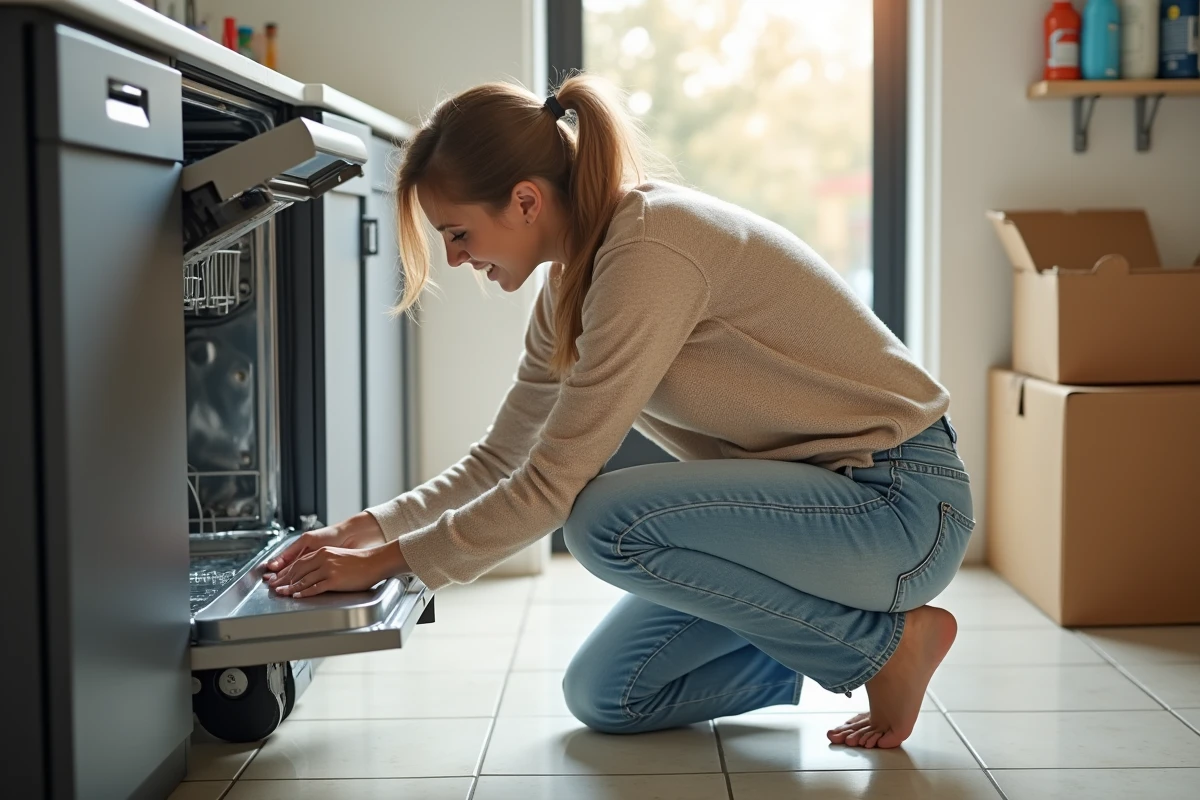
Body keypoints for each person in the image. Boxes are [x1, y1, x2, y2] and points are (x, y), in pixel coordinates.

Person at [260, 74, 974, 750]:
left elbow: (549, 486)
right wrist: (366, 529)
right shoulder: (572, 286)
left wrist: (394, 564)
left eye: (458, 233)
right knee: (609, 694)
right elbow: (503, 457)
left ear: (526, 202)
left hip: (897, 507)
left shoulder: (650, 248)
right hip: (802, 526)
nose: (454, 259)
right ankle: (836, 645)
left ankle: (884, 650)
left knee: (602, 520)